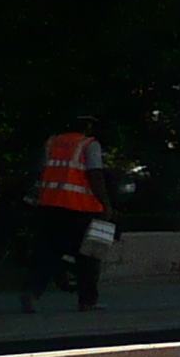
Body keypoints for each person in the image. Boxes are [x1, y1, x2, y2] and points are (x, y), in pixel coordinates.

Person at [23, 117, 113, 312]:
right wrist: (105, 204)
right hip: (80, 208)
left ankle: (31, 292)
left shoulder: (52, 143)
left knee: (46, 252)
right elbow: (95, 174)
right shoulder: (89, 144)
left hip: (50, 204)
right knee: (88, 256)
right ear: (87, 125)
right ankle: (87, 301)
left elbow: (40, 171)